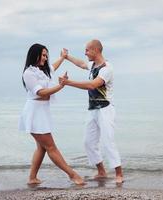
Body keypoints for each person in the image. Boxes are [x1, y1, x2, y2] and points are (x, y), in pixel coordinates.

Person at [19, 43, 84, 185]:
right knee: (51, 147)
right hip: (34, 113)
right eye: (43, 55)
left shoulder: (43, 71)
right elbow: (40, 92)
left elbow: (53, 67)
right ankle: (73, 175)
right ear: (34, 55)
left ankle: (32, 178)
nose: (45, 57)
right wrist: (60, 86)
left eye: (46, 55)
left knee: (41, 148)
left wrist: (62, 58)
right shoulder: (29, 73)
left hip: (42, 112)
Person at [59, 39, 124, 184]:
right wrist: (66, 57)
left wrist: (68, 83)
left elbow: (92, 85)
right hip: (92, 109)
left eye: (87, 50)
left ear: (95, 50)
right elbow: (81, 63)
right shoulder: (92, 65)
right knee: (88, 142)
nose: (85, 52)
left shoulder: (107, 68)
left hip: (106, 109)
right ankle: (101, 171)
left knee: (108, 141)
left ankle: (119, 173)